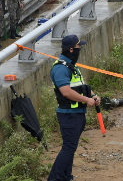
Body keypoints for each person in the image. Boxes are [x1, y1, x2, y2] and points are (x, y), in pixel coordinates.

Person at [48, 35, 99, 181]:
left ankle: (66, 176)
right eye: (78, 47)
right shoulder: (60, 69)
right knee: (69, 148)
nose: (79, 50)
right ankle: (54, 178)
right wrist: (86, 100)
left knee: (70, 148)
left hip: (77, 114)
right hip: (69, 115)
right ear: (71, 49)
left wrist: (93, 95)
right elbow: (66, 91)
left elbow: (80, 86)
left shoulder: (72, 66)